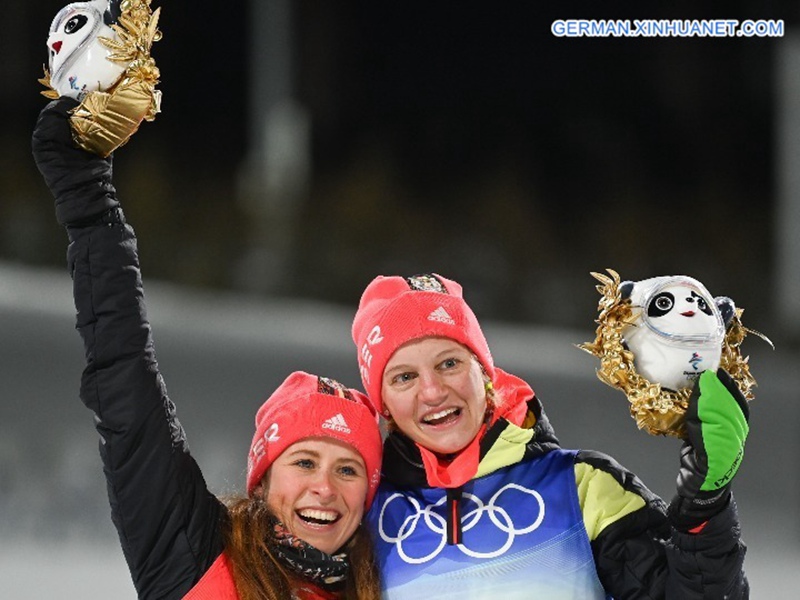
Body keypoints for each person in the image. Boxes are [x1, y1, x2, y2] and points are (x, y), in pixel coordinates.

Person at [32, 97, 384, 600]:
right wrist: (88, 200)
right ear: (262, 481)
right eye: (304, 462)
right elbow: (124, 378)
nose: (324, 488)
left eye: (347, 470)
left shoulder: (394, 584)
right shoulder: (194, 550)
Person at [351, 273, 750, 598]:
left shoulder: (582, 489)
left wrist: (705, 506)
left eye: (450, 363)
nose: (433, 391)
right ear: (382, 403)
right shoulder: (362, 516)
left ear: (485, 373)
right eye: (404, 377)